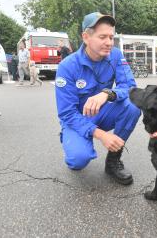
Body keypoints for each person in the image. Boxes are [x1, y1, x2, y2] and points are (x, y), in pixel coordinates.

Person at [55, 12, 140, 185]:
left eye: (111, 37)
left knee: (133, 105)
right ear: (86, 37)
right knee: (78, 160)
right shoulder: (67, 66)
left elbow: (130, 87)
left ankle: (113, 161)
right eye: (103, 37)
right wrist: (101, 135)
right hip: (77, 119)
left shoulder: (115, 56)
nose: (109, 42)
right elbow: (67, 113)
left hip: (103, 113)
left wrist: (107, 94)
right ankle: (70, 138)